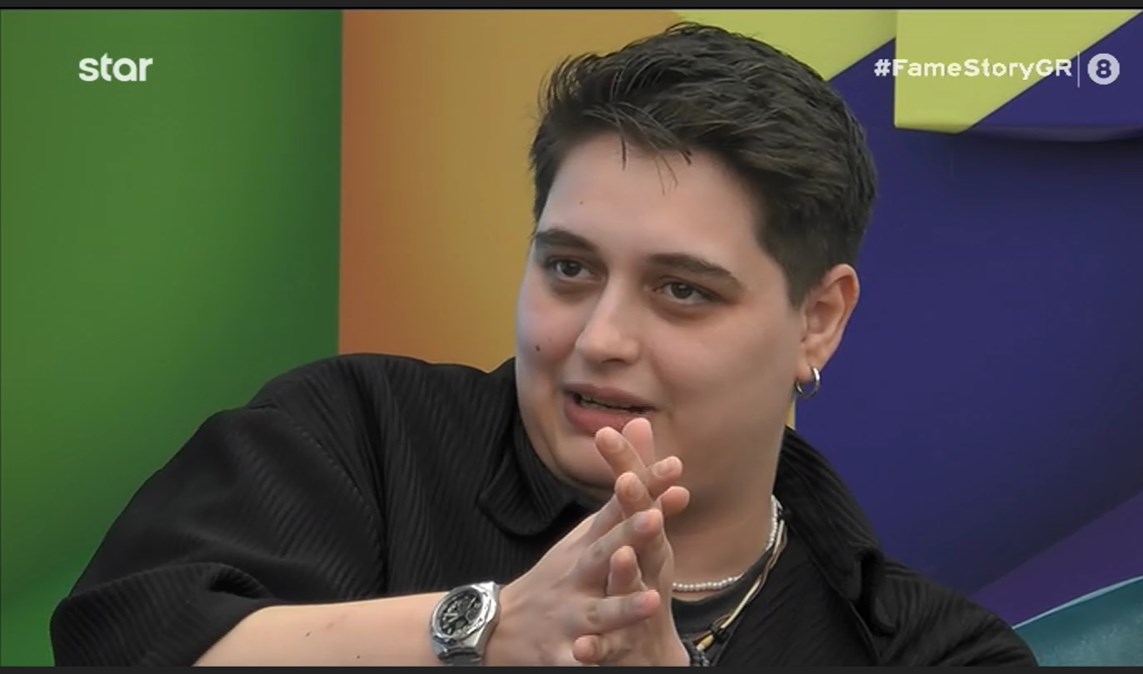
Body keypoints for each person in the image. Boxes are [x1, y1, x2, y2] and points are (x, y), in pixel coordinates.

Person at [50, 23, 1035, 666]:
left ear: (817, 319)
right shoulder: (359, 437)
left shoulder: (929, 649)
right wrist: (481, 629)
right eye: (569, 267)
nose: (599, 337)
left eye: (682, 291)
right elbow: (121, 633)